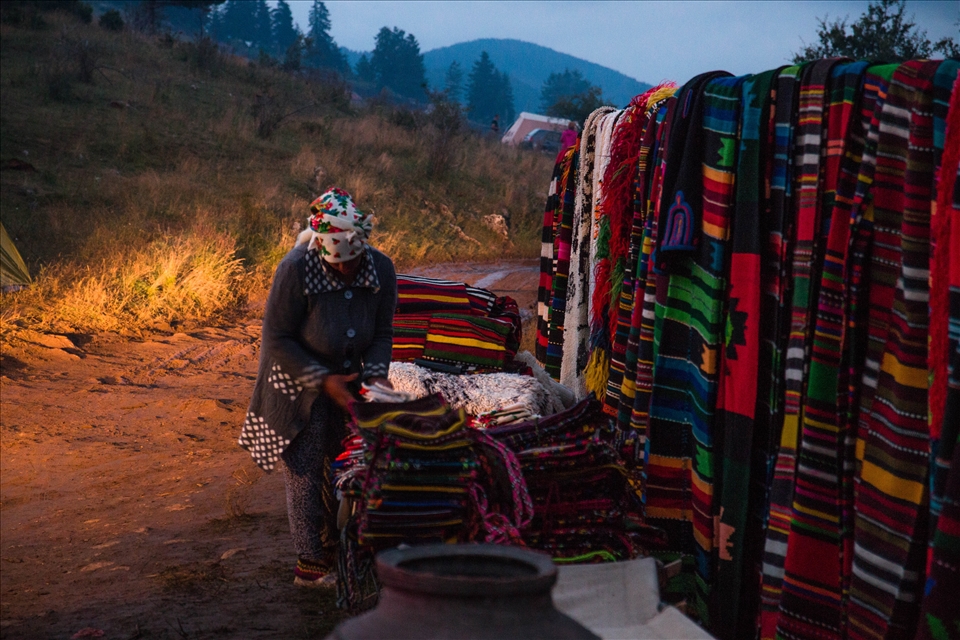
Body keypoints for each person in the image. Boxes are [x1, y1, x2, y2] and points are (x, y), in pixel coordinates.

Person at [239, 187, 397, 587]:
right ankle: (309, 564)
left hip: (348, 380)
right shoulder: (295, 269)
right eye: (337, 264)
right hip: (294, 379)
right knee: (304, 470)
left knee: (342, 462)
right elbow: (277, 340)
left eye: (352, 262)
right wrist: (323, 380)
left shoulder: (381, 269)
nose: (345, 270)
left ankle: (337, 546)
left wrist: (376, 376)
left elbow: (382, 332)